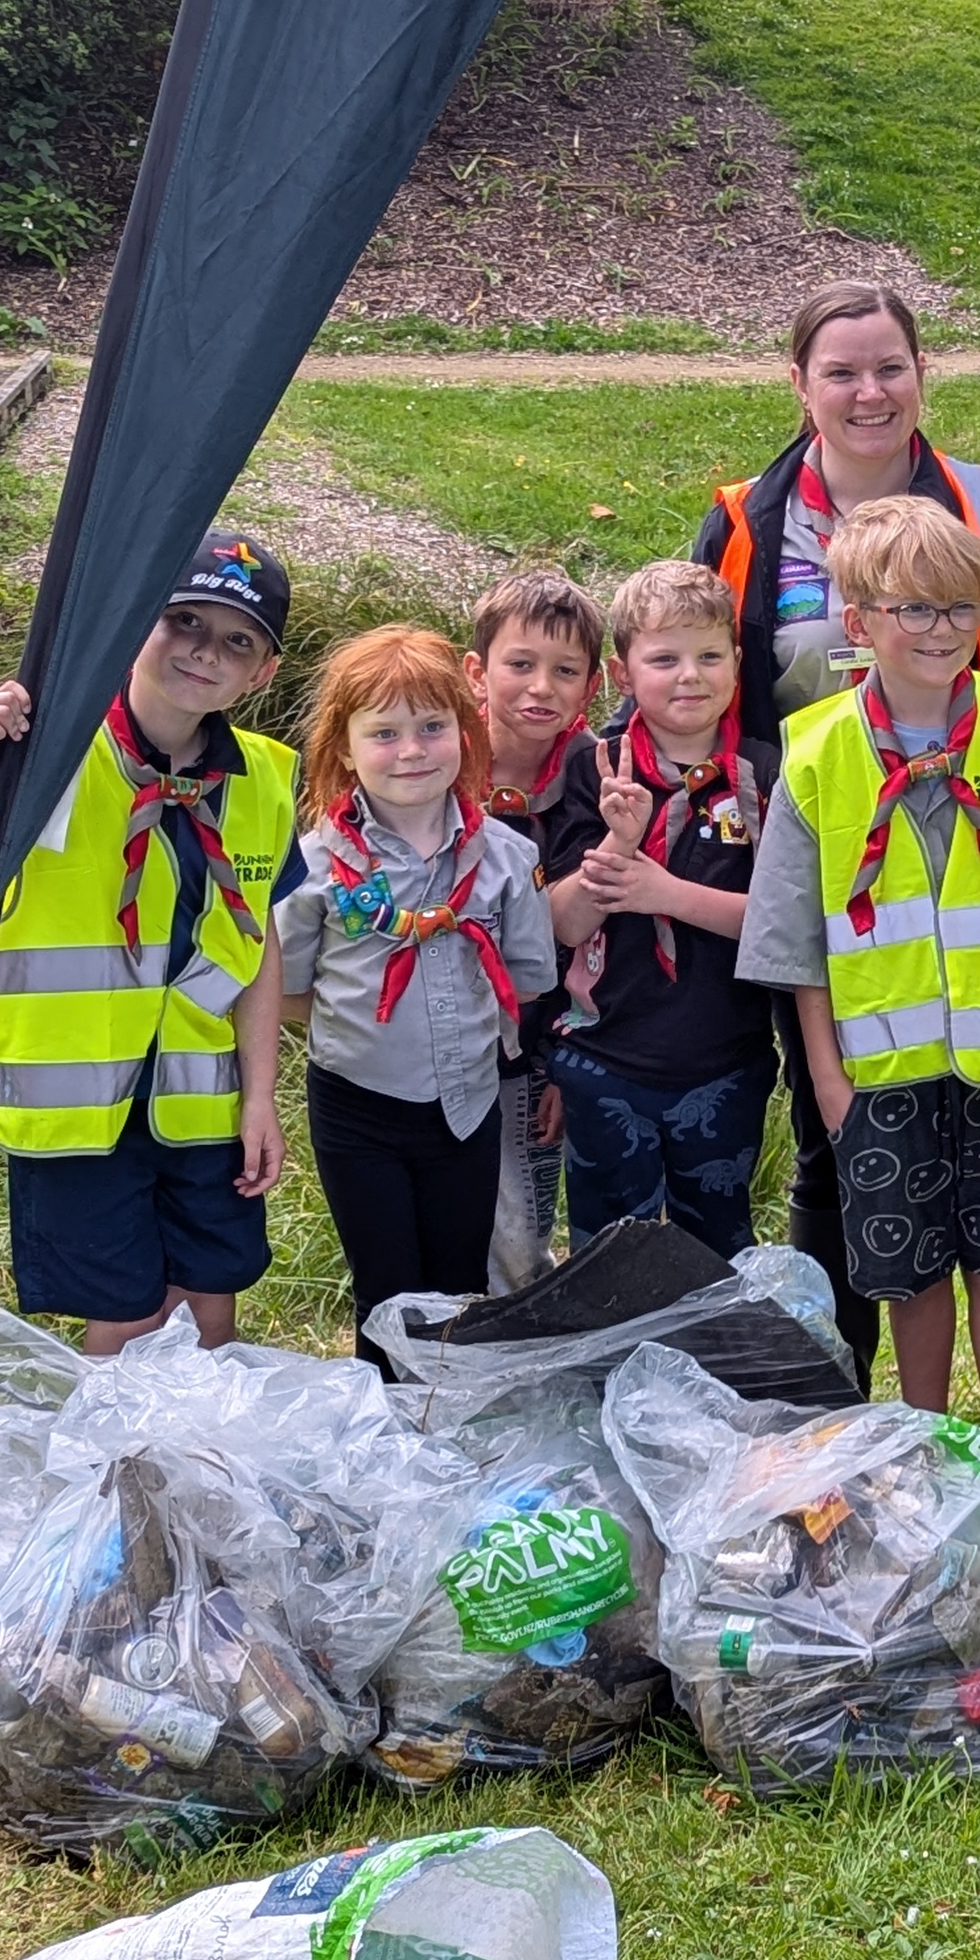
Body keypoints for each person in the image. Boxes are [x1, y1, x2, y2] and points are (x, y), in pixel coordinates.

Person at [694, 279, 980, 1453]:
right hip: (834, 855)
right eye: (841, 371)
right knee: (843, 1138)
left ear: (922, 373)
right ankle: (846, 1392)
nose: (869, 392)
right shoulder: (746, 521)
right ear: (800, 385)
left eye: (890, 366)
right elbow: (702, 680)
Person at [735, 497, 980, 1527]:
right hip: (878, 1069)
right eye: (915, 610)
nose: (941, 630)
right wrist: (828, 1078)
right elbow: (797, 942)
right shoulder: (816, 755)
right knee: (912, 1265)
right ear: (860, 621)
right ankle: (930, 1440)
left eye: (960, 608)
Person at [0, 530, 297, 1354]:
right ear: (137, 622)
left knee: (209, 1309)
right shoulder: (55, 750)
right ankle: (112, 1445)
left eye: (236, 641)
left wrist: (260, 1098)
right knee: (128, 1317)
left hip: (201, 1102)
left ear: (262, 673)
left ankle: (199, 1447)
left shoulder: (265, 781)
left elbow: (259, 951)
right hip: (74, 1103)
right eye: (183, 620)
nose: (204, 651)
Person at [273, 625, 560, 1368]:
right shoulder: (314, 867)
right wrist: (364, 1031)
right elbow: (288, 991)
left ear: (465, 733)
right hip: (357, 1107)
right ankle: (383, 1424)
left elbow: (530, 978)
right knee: (384, 1290)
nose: (411, 751)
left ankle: (448, 1421)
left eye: (433, 727)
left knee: (459, 1285)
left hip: (467, 1106)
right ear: (344, 749)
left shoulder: (508, 857)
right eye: (384, 733)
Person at [541, 561, 771, 1260]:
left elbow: (784, 926)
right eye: (664, 659)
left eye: (709, 656)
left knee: (717, 1253)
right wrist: (620, 841)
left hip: (725, 1058)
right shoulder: (593, 768)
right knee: (609, 1257)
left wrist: (665, 893)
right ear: (622, 672)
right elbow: (565, 923)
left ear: (737, 663)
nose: (689, 676)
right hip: (605, 1059)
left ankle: (710, 1339)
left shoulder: (765, 774)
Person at [466, 570, 608, 1289]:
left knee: (519, 1240)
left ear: (592, 686)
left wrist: (566, 1064)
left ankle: (519, 1338)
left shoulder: (595, 775)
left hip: (535, 1047)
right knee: (441, 1225)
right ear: (477, 672)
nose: (541, 687)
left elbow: (589, 933)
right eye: (520, 664)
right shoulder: (433, 754)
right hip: (427, 1043)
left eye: (565, 671)